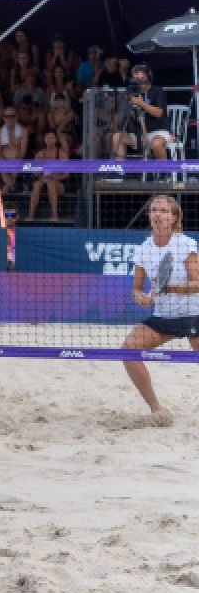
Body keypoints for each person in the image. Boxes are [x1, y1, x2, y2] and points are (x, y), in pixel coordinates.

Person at [120, 195, 199, 423]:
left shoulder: (185, 245)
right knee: (128, 350)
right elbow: (135, 289)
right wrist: (142, 298)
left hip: (193, 314)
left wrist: (171, 288)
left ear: (174, 218)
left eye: (164, 211)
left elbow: (198, 284)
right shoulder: (144, 249)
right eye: (154, 210)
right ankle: (156, 409)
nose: (158, 215)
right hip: (164, 316)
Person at [109, 64, 171, 161]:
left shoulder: (157, 91)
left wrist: (141, 104)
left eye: (142, 78)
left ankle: (164, 173)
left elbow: (159, 113)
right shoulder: (130, 93)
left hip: (158, 132)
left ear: (149, 78)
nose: (139, 81)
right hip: (138, 134)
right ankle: (119, 172)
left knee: (156, 144)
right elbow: (121, 117)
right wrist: (126, 111)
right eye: (136, 79)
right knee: (117, 137)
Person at [27, 130, 70, 222]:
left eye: (52, 138)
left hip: (58, 183)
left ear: (56, 140)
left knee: (51, 184)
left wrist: (55, 177)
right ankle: (31, 215)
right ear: (44, 140)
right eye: (47, 138)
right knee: (37, 185)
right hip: (43, 181)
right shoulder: (39, 154)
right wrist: (39, 167)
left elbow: (66, 174)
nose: (49, 140)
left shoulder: (62, 155)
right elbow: (35, 174)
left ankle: (54, 215)